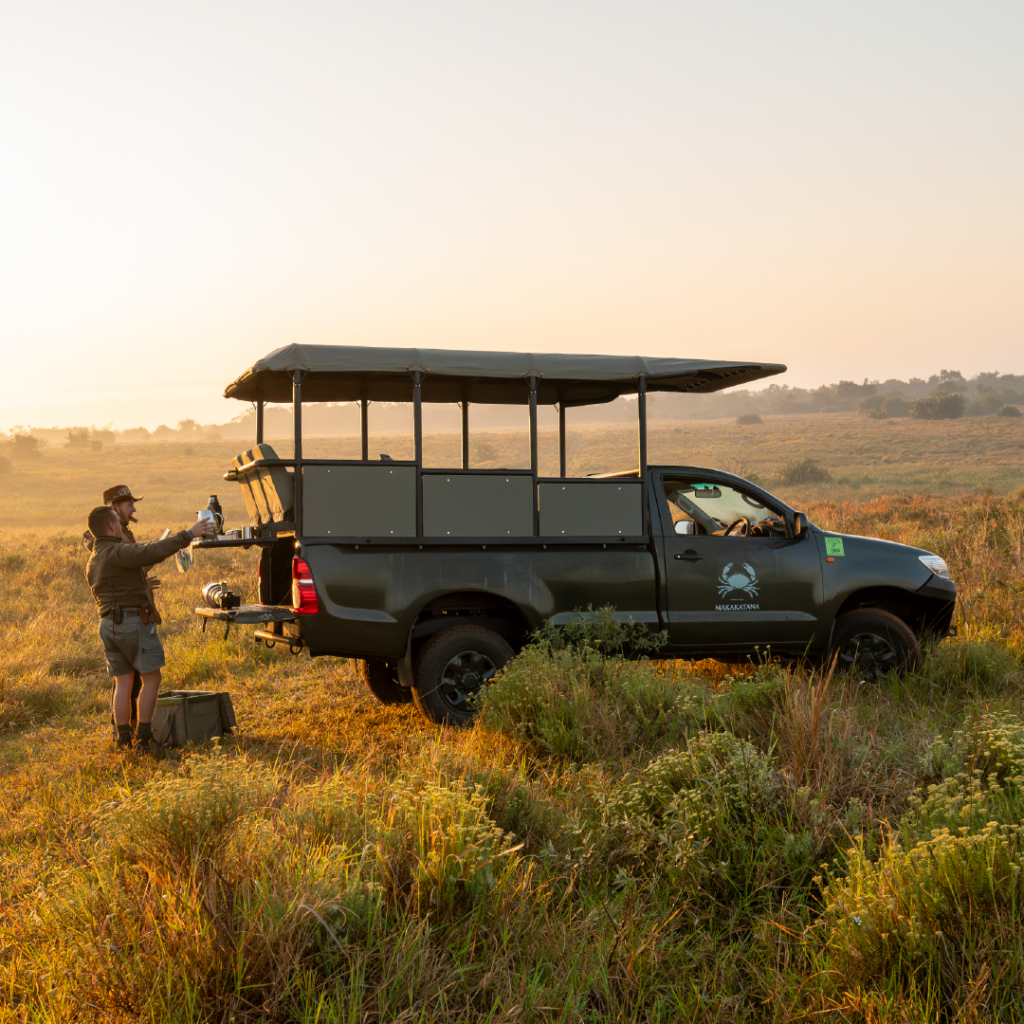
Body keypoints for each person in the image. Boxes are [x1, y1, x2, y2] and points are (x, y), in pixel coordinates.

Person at [85, 505, 214, 753]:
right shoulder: (117, 552)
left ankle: (123, 741)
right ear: (112, 526)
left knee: (123, 683)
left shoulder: (93, 559)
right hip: (132, 621)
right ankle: (144, 739)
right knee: (152, 678)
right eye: (118, 525)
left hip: (107, 624)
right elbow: (150, 552)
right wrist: (189, 533)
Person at [83, 485, 156, 736]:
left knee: (127, 679)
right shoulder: (114, 540)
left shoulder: (120, 534)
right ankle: (132, 732)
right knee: (135, 679)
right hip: (127, 614)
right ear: (113, 509)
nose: (133, 509)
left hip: (116, 615)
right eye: (128, 505)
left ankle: (125, 734)